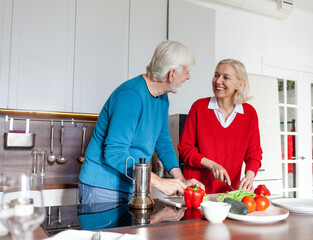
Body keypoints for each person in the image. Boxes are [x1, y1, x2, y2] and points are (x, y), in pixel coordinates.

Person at [78, 41, 204, 204]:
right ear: (172, 73)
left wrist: (181, 180)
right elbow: (114, 153)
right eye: (187, 71)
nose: (188, 76)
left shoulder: (162, 98)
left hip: (134, 184)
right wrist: (159, 182)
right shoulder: (130, 95)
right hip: (103, 186)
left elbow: (163, 142)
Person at [178, 59, 263, 194]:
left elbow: (254, 153)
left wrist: (249, 177)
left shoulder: (249, 113)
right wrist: (211, 165)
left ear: (239, 84)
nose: (218, 81)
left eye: (226, 77)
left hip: (228, 191)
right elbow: (185, 148)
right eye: (216, 75)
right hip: (196, 190)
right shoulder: (199, 107)